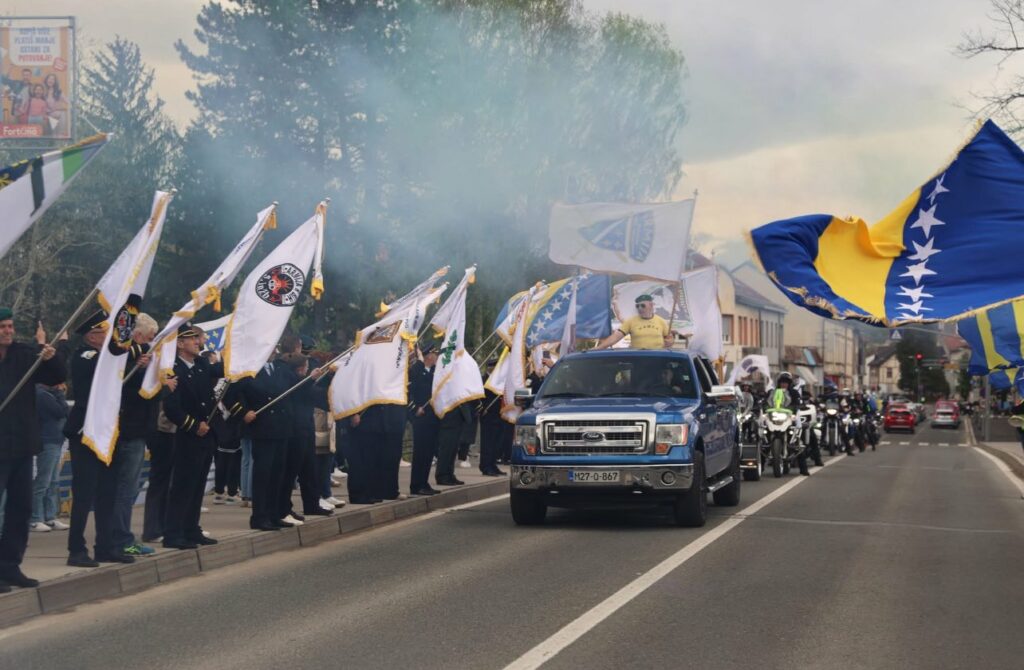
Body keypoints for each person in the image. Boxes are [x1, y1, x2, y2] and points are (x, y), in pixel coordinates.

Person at [0, 309, 65, 591]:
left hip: (22, 445)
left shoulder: (25, 354)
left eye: (10, 326)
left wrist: (50, 355)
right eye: (2, 327)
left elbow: (57, 376)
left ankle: (10, 566)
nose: (8, 331)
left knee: (20, 508)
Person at [66, 310, 134, 567]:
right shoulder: (85, 356)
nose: (108, 336)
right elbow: (102, 372)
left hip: (107, 431)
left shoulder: (106, 357)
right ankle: (76, 549)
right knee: (84, 494)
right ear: (92, 337)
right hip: (87, 431)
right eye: (103, 332)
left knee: (108, 491)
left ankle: (105, 546)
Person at [111, 313, 169, 558]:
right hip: (129, 430)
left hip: (139, 430)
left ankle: (121, 534)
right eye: (149, 338)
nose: (152, 343)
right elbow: (128, 393)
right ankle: (121, 537)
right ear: (137, 337)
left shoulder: (138, 359)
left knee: (129, 486)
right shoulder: (125, 359)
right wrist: (142, 371)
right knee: (125, 487)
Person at [162, 324, 224, 549]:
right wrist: (193, 425)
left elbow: (225, 370)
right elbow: (172, 407)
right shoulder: (171, 368)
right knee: (183, 486)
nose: (199, 342)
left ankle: (191, 528)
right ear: (180, 344)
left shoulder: (201, 364)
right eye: (193, 339)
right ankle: (174, 533)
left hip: (207, 433)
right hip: (188, 434)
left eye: (198, 339)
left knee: (197, 486)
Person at [228, 343, 295, 530]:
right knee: (263, 474)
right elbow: (230, 396)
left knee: (277, 474)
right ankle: (259, 516)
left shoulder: (279, 369)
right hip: (262, 428)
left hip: (281, 428)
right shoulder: (249, 371)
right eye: (271, 347)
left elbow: (294, 386)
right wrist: (243, 413)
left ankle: (274, 514)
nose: (274, 351)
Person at [30, 380, 69, 533]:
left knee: (53, 482)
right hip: (47, 441)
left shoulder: (50, 395)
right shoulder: (42, 395)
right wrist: (60, 394)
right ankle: (35, 518)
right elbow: (61, 411)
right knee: (43, 481)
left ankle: (50, 516)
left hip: (56, 440)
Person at [408, 345, 440, 496]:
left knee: (429, 452)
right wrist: (415, 409)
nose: (437, 357)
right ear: (428, 356)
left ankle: (424, 482)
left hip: (432, 417)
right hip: (420, 417)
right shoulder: (416, 371)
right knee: (420, 452)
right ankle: (416, 484)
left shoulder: (435, 373)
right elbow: (408, 392)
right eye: (435, 354)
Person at [594, 294, 673, 350]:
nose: (639, 308)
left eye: (643, 305)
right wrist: (599, 348)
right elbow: (616, 336)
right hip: (638, 358)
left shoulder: (661, 321)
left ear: (651, 305)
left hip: (657, 358)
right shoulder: (631, 321)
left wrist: (670, 342)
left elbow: (669, 340)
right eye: (637, 306)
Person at [479, 359, 508, 477]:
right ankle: (485, 466)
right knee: (488, 443)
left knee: (497, 442)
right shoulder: (483, 380)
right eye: (493, 367)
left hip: (499, 414)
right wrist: (482, 409)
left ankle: (493, 464)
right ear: (489, 368)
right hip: (487, 415)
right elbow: (478, 397)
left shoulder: (499, 381)